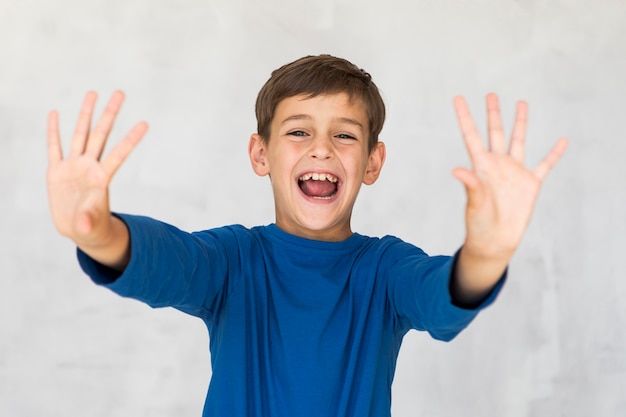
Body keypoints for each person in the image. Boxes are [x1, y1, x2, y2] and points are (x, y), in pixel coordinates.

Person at [46, 55, 568, 417]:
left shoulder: (385, 270)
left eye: (344, 135)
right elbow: (168, 262)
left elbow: (442, 294)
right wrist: (98, 234)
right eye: (298, 131)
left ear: (372, 162)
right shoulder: (232, 261)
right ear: (260, 154)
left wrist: (487, 251)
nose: (322, 149)